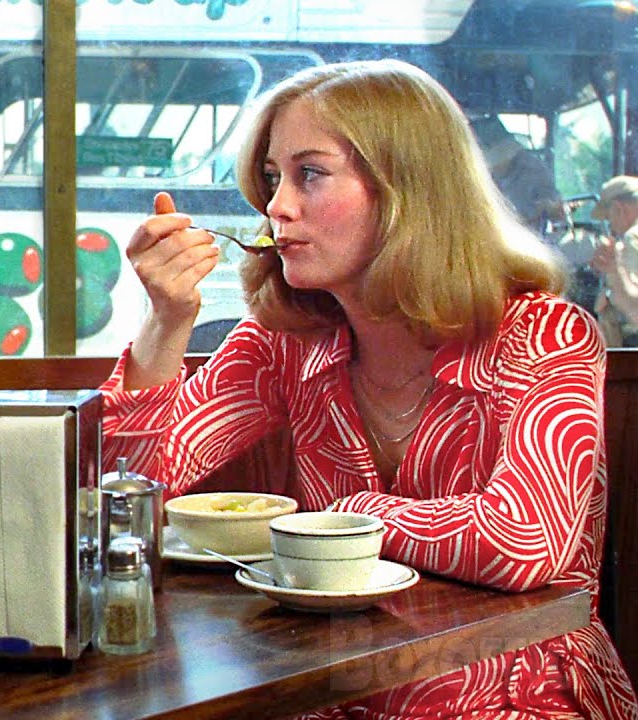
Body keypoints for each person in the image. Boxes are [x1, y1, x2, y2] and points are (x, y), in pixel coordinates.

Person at [102, 59, 637, 719]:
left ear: (405, 190)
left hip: (517, 695)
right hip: (329, 694)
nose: (276, 207)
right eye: (271, 178)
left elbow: (522, 542)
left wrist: (347, 516)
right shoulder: (284, 340)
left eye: (310, 174)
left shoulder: (546, 336)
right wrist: (166, 322)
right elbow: (122, 490)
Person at [590, 175, 638, 346]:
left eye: (608, 216)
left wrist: (608, 294)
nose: (609, 224)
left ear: (620, 208)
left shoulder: (631, 239)